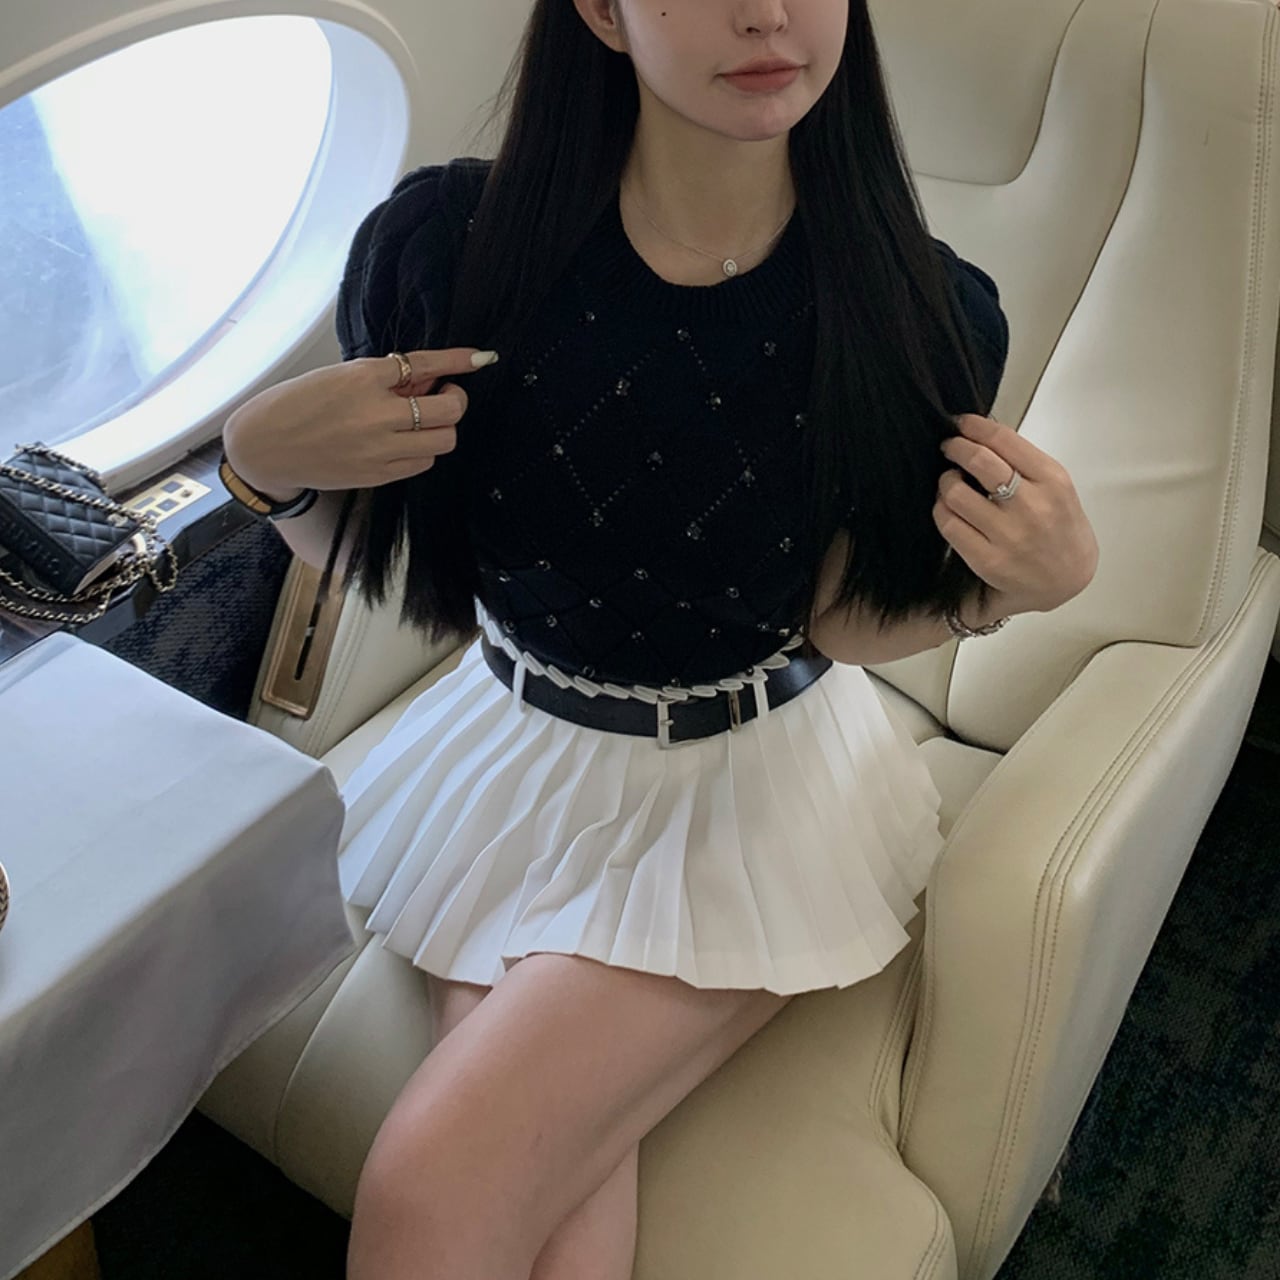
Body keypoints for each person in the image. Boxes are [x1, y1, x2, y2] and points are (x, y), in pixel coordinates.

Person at [221, 1, 1099, 1276]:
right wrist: (257, 461)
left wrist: (1015, 590)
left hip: (749, 792)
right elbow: (395, 551)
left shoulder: (917, 305)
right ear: (598, 8)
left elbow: (840, 617)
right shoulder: (444, 243)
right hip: (512, 757)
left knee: (429, 1182)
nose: (766, 12)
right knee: (555, 1225)